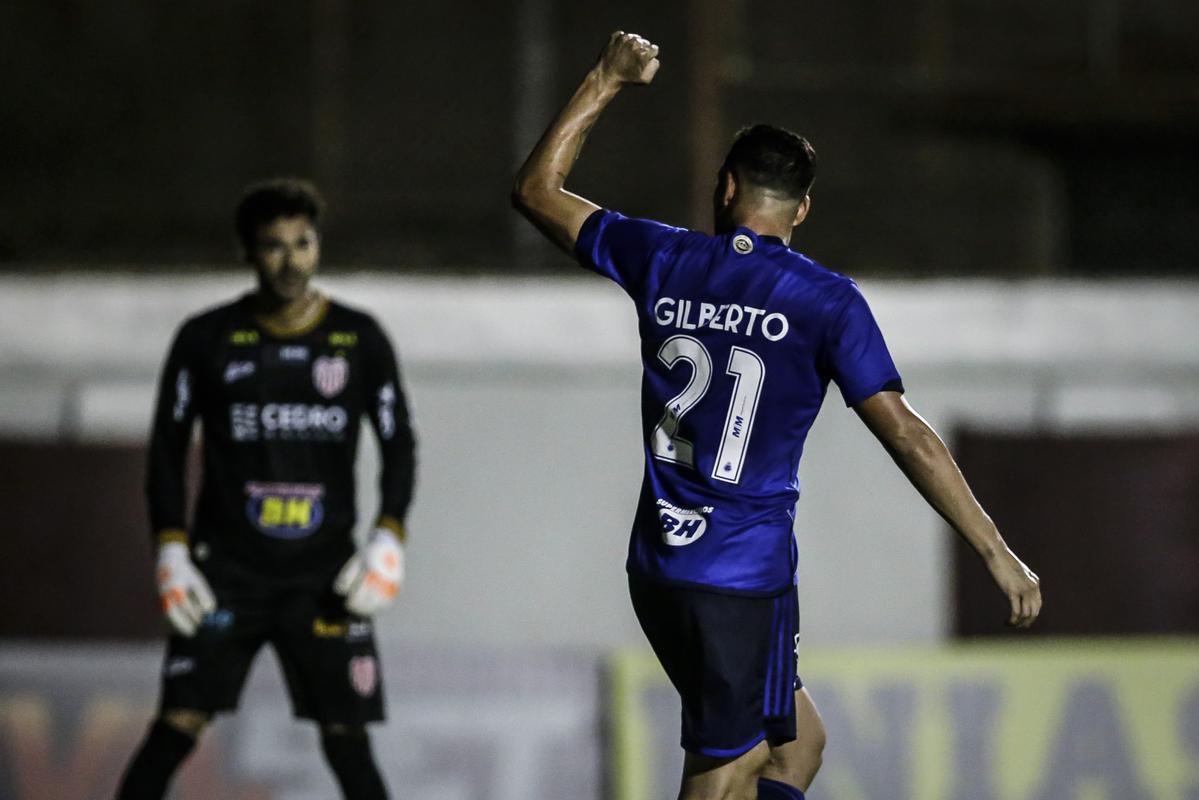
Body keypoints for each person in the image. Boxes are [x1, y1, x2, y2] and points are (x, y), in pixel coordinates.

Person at [512, 32, 1042, 800]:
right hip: (736, 578)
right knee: (724, 772)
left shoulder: (662, 258)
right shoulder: (825, 301)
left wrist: (605, 77)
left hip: (662, 563)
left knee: (797, 747)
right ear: (802, 208)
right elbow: (904, 432)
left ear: (727, 188)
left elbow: (537, 190)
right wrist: (993, 549)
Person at [116, 178, 417, 800]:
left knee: (348, 741)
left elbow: (399, 445)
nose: (290, 261)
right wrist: (170, 549)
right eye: (273, 246)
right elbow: (166, 451)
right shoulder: (205, 338)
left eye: (302, 243)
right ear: (248, 252)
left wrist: (388, 536)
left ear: (318, 245)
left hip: (324, 577)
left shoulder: (359, 338)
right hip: (227, 573)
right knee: (175, 726)